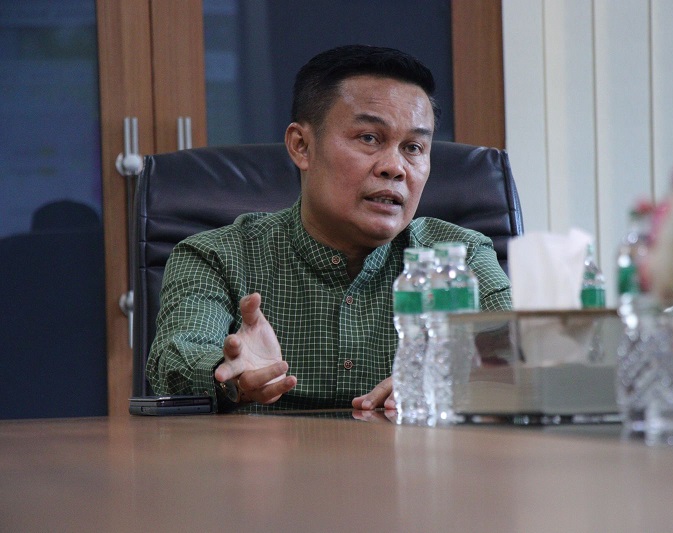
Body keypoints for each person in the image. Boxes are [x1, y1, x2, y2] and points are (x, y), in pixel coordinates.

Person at [147, 44, 512, 413]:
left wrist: (446, 377)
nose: (395, 167)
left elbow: (521, 355)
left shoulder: (458, 256)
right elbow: (173, 359)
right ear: (301, 146)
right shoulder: (216, 256)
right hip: (264, 467)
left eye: (414, 147)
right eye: (369, 138)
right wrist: (229, 372)